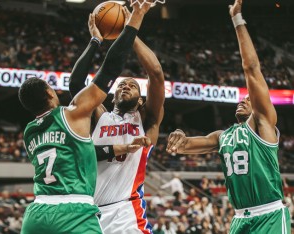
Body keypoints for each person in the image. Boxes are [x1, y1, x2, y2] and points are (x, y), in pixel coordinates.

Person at [18, 3, 151, 233]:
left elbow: (86, 153)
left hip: (36, 213)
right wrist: (134, 20)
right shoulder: (72, 114)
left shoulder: (30, 133)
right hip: (74, 211)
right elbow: (108, 70)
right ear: (50, 93)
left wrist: (121, 148)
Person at [166, 0, 291, 233]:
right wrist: (179, 135)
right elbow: (183, 146)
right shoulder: (223, 136)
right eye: (241, 98)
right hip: (239, 219)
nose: (242, 99)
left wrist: (237, 20)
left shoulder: (263, 123)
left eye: (248, 98)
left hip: (269, 215)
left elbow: (252, 69)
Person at [69, 5, 165, 233]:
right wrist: (95, 40)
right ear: (111, 97)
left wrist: (129, 31)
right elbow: (76, 85)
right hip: (89, 213)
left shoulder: (147, 121)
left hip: (125, 213)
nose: (126, 85)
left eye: (133, 85)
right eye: (121, 84)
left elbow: (156, 74)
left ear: (141, 101)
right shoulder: (100, 115)